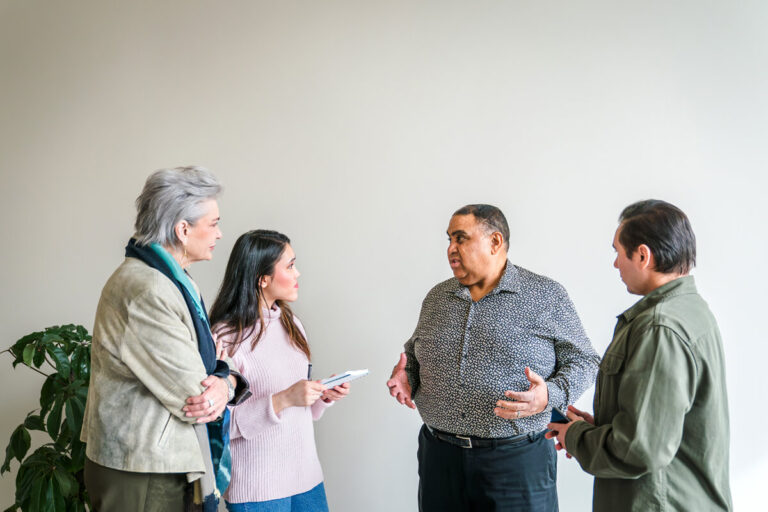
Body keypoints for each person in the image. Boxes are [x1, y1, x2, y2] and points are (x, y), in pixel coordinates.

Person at [386, 204, 600, 511]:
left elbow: (585, 360)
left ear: (495, 242)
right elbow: (415, 356)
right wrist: (407, 376)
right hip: (439, 458)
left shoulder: (545, 295)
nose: (451, 249)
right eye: (449, 239)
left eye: (461, 238)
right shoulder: (437, 298)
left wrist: (548, 396)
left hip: (515, 463)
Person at [81, 166, 250, 512]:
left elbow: (211, 365)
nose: (220, 234)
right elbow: (195, 395)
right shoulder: (148, 289)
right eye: (214, 223)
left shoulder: (171, 280)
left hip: (157, 461)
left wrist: (223, 377)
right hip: (141, 468)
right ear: (183, 229)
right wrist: (225, 379)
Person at [546, 200, 732, 511]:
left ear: (643, 255)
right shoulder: (690, 312)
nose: (615, 264)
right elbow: (655, 422)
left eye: (618, 251)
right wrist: (597, 427)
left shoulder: (660, 328)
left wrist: (577, 436)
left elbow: (640, 448)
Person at [210, 229, 350, 512]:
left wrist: (321, 395)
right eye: (289, 266)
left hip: (306, 477)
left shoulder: (292, 325)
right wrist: (284, 398)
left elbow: (299, 410)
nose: (297, 273)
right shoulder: (225, 338)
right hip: (257, 488)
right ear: (263, 279)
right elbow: (221, 423)